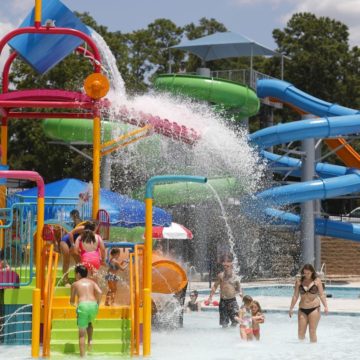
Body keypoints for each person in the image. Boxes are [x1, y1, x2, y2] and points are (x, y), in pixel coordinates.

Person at [289, 263, 329, 343]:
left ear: (312, 272)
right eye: (304, 273)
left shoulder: (317, 281)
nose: (306, 275)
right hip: (302, 309)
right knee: (300, 333)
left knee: (312, 331)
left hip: (314, 308)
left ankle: (313, 352)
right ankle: (302, 351)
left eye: (308, 273)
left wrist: (325, 306)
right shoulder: (299, 282)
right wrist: (291, 308)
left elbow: (321, 294)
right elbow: (295, 296)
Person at [70, 264, 102, 357]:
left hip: (83, 306)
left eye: (75, 274)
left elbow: (72, 301)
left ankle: (82, 357)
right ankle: (90, 342)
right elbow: (100, 292)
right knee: (89, 323)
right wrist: (97, 304)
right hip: (93, 305)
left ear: (78, 274)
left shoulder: (75, 284)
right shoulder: (92, 282)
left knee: (81, 334)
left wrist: (77, 306)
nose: (75, 276)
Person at [207, 254, 242, 328]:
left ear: (231, 265)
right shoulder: (221, 276)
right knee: (224, 324)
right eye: (224, 266)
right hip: (223, 301)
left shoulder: (235, 277)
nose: (226, 267)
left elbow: (240, 290)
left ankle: (232, 336)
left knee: (235, 321)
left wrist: (244, 300)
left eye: (227, 266)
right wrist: (210, 297)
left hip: (232, 301)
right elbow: (214, 286)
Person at [60, 220, 96, 285]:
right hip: (65, 242)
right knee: (66, 261)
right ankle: (65, 280)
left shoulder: (90, 232)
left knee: (79, 262)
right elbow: (70, 233)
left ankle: (77, 279)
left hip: (73, 243)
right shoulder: (82, 228)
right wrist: (72, 245)